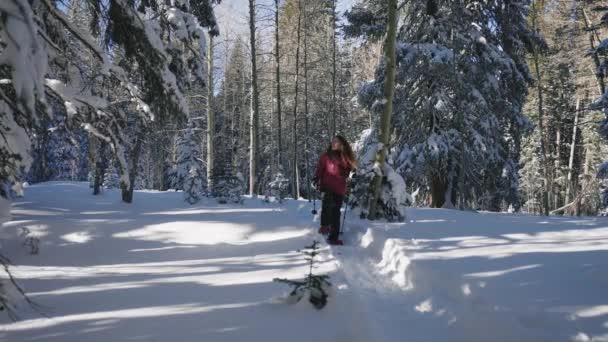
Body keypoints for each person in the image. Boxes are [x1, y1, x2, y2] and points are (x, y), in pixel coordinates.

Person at [313, 135, 357, 245]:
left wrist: (352, 174)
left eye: (336, 142)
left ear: (341, 144)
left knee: (336, 212)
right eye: (332, 141)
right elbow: (319, 169)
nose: (333, 143)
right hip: (327, 185)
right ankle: (325, 226)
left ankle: (333, 237)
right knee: (327, 205)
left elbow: (352, 169)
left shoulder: (346, 157)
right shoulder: (326, 156)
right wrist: (316, 178)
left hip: (339, 187)